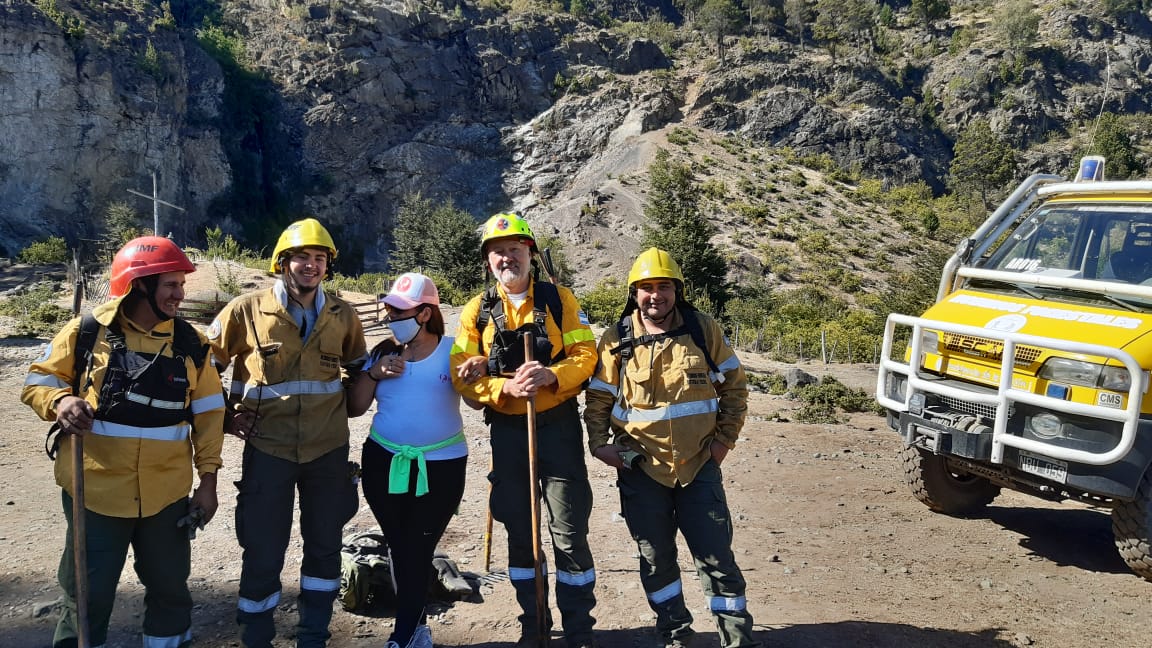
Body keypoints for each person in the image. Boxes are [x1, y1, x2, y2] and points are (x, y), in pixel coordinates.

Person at [21, 236, 225, 648]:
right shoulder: (86, 332)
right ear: (140, 285)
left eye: (181, 285)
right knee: (85, 594)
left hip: (166, 495)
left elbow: (208, 415)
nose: (179, 295)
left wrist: (208, 481)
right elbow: (38, 380)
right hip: (94, 493)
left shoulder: (192, 345)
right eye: (170, 285)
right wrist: (60, 400)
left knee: (170, 591)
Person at [583, 248, 759, 648]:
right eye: (646, 288)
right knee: (656, 561)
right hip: (642, 470)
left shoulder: (702, 329)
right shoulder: (617, 340)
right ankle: (676, 635)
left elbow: (734, 385)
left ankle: (737, 640)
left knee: (717, 560)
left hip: (699, 467)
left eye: (663, 286)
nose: (655, 296)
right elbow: (598, 400)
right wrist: (599, 446)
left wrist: (723, 443)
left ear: (677, 291)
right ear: (634, 293)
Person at [208, 218, 367, 648]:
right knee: (261, 551)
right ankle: (256, 637)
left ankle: (313, 635)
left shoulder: (342, 314)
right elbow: (202, 370)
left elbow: (359, 371)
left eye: (319, 259)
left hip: (328, 452)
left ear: (327, 267)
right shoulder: (246, 310)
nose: (310, 266)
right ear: (282, 263)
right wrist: (226, 416)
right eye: (301, 257)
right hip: (268, 450)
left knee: (324, 549)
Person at [450, 213, 599, 648]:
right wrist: (502, 386)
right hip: (508, 432)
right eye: (497, 251)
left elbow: (586, 354)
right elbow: (461, 373)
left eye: (515, 248)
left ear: (530, 252)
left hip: (557, 429)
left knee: (569, 529)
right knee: (520, 528)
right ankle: (533, 625)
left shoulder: (559, 299)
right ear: (488, 260)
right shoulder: (477, 312)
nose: (506, 257)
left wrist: (553, 377)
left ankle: (578, 631)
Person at [347, 272, 478, 648]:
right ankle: (417, 628)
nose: (391, 317)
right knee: (397, 543)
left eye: (398, 310)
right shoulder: (381, 352)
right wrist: (374, 373)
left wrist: (472, 374)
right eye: (389, 309)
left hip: (441, 467)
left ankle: (403, 635)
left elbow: (474, 401)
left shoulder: (454, 350)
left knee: (417, 546)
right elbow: (356, 407)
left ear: (424, 314)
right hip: (382, 461)